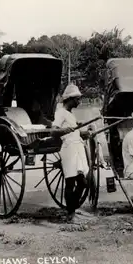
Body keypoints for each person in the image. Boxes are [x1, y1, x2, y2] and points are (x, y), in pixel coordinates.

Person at [50, 84, 91, 222]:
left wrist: (83, 133)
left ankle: (71, 208)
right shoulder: (60, 113)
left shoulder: (70, 115)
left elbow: (76, 133)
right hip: (68, 149)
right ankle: (70, 212)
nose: (79, 102)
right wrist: (65, 131)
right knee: (71, 182)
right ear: (70, 99)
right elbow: (53, 131)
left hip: (78, 148)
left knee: (84, 182)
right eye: (77, 99)